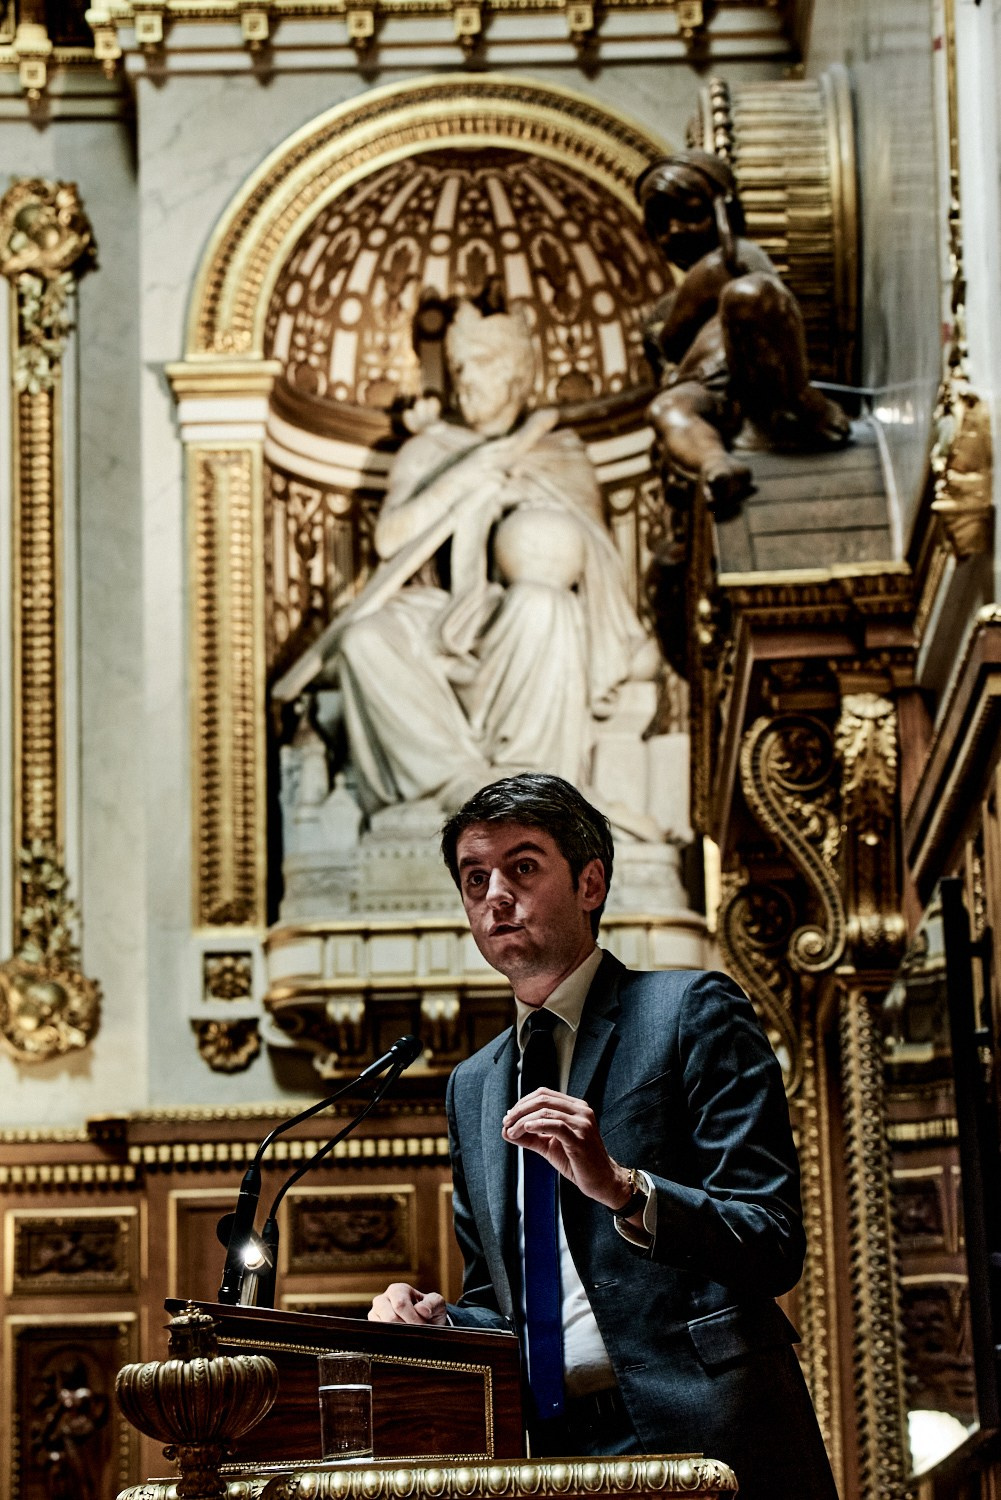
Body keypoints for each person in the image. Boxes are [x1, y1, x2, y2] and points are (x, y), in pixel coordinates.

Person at [369, 773, 838, 1499]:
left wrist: (624, 1190)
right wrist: (434, 1322)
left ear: (590, 883)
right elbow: (499, 1298)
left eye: (522, 867)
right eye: (473, 877)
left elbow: (771, 1238)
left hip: (706, 1433)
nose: (494, 894)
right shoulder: (474, 1085)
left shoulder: (688, 1010)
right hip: (546, 1446)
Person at [293, 301, 651, 815]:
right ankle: (452, 778)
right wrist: (466, 475)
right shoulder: (427, 450)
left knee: (545, 608)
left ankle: (527, 780)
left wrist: (525, 506)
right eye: (459, 368)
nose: (464, 380)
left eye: (479, 364)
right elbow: (390, 539)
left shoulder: (560, 453)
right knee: (364, 639)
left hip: (514, 611)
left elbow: (595, 559)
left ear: (515, 372)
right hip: (439, 609)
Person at [637, 149, 850, 511]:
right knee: (667, 409)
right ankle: (716, 464)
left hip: (758, 373)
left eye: (690, 215)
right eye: (661, 225)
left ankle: (802, 403)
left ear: (724, 211)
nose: (674, 230)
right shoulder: (663, 307)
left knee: (747, 294)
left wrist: (678, 317)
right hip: (706, 390)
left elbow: (675, 341)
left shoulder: (736, 259)